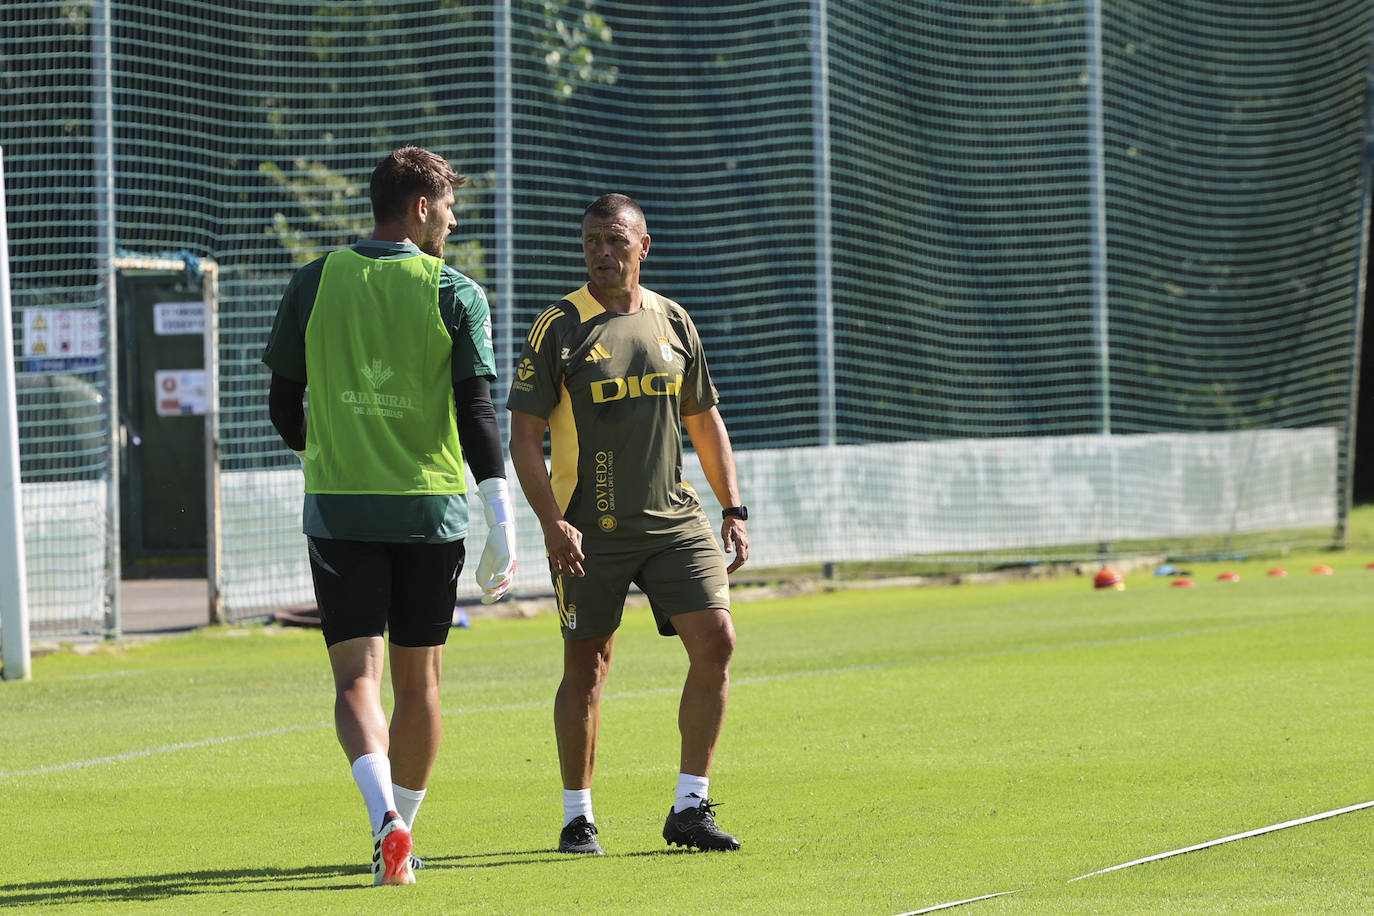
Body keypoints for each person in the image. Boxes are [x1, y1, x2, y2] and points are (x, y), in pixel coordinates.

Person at [262, 146, 516, 885]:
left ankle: (384, 821)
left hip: (341, 508)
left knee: (354, 683)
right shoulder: (457, 292)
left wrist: (330, 454)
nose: (454, 219)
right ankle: (403, 832)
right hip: (430, 512)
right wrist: (501, 514)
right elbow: (476, 413)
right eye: (449, 206)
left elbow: (283, 405)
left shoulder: (313, 283)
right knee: (422, 685)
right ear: (419, 208)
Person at [507, 193, 749, 854]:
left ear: (644, 244)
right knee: (588, 666)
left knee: (718, 641)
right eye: (591, 242)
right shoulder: (557, 326)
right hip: (590, 528)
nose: (603, 254)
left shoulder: (673, 319)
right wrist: (552, 523)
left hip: (675, 520)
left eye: (615, 241)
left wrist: (733, 508)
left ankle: (689, 808)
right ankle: (576, 816)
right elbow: (524, 437)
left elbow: (703, 420)